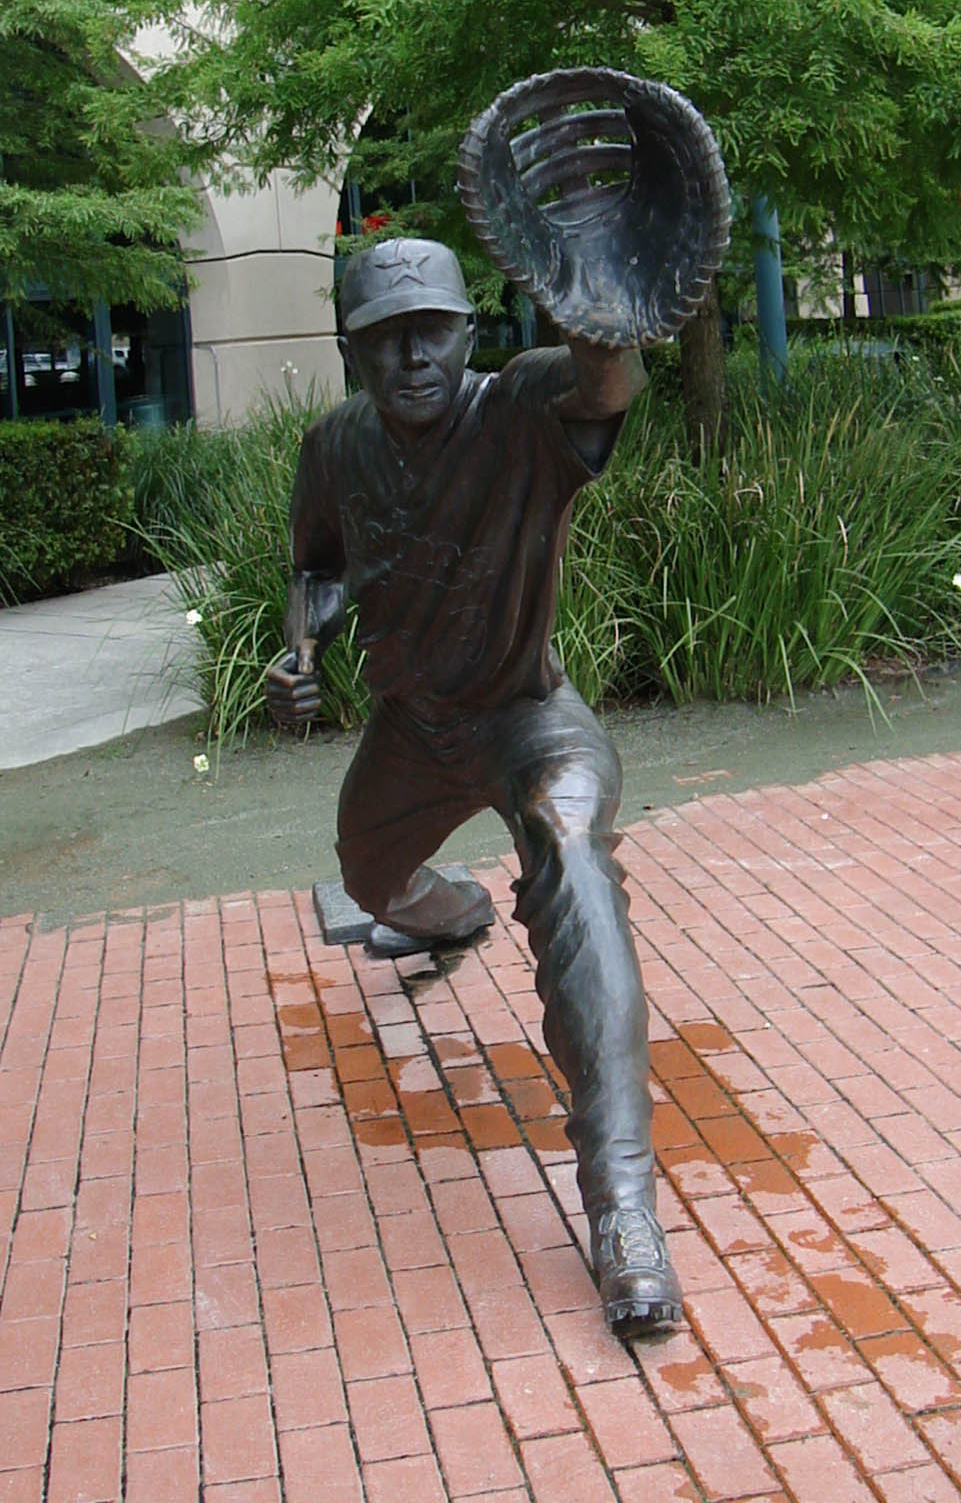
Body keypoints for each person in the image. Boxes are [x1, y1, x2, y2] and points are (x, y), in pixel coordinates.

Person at [267, 234, 682, 1338]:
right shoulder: (335, 446)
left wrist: (599, 320)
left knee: (570, 846)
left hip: (528, 719)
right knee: (369, 876)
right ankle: (453, 916)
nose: (414, 357)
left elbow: (604, 386)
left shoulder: (521, 409)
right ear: (351, 350)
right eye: (386, 338)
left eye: (434, 332)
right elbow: (318, 564)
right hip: (414, 731)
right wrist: (302, 651)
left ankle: (625, 1209)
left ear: (467, 332)